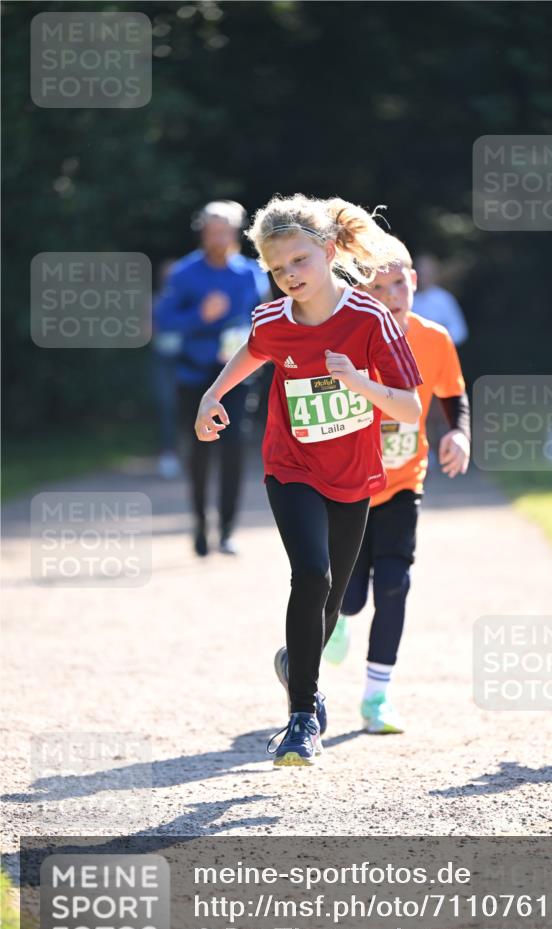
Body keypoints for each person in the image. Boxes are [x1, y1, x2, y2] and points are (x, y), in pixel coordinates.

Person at [194, 195, 423, 766]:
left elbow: (411, 410)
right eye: (277, 269)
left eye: (298, 261)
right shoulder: (272, 319)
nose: (289, 276)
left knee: (332, 596)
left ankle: (298, 666)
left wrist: (359, 383)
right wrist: (213, 394)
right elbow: (253, 352)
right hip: (290, 466)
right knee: (312, 575)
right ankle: (302, 716)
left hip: (352, 473)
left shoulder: (369, 318)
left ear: (326, 252)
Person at [323, 236, 470, 734]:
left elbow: (453, 395)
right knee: (353, 595)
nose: (393, 294)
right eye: (379, 287)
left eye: (399, 283)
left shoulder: (435, 338)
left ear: (414, 282)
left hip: (405, 480)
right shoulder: (350, 340)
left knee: (395, 584)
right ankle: (339, 614)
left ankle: (376, 697)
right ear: (364, 293)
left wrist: (459, 434)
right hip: (353, 486)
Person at [154, 201, 263, 556]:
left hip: (236, 376)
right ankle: (200, 524)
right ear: (203, 232)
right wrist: (201, 316)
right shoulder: (184, 273)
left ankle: (228, 530)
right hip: (194, 375)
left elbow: (261, 320)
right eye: (211, 230)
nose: (218, 236)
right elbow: (165, 321)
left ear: (235, 233)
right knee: (200, 453)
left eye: (224, 230)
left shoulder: (250, 273)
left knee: (234, 450)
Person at [151, 259, 183, 480]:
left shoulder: (188, 300)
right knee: (166, 403)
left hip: (187, 358)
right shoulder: (155, 301)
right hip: (162, 359)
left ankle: (193, 451)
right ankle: (168, 453)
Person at [412, 253, 468, 345]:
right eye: (421, 272)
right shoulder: (407, 299)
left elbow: (459, 331)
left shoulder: (444, 299)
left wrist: (438, 339)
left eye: (427, 273)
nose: (423, 276)